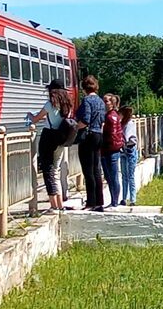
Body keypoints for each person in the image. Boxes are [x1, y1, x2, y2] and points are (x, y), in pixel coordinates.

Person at [26, 80, 75, 212]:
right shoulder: (68, 105)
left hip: (48, 138)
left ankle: (53, 205)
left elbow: (35, 119)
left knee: (48, 171)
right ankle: (60, 204)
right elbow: (59, 119)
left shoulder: (49, 105)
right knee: (56, 171)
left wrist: (30, 116)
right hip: (61, 139)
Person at [75, 74, 108, 210]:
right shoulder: (100, 101)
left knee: (88, 170)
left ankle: (91, 202)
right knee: (96, 169)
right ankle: (99, 201)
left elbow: (86, 119)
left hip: (88, 136)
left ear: (84, 88)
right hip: (98, 135)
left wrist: (76, 126)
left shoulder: (87, 100)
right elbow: (102, 119)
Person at [100, 93, 124, 208]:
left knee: (112, 177)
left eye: (106, 101)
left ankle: (114, 201)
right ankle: (114, 200)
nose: (104, 103)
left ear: (112, 103)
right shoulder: (113, 115)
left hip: (110, 150)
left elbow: (113, 134)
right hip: (112, 150)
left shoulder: (110, 117)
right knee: (111, 177)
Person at [117, 105, 139, 207]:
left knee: (130, 176)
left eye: (120, 114)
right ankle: (124, 198)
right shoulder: (121, 124)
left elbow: (129, 137)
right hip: (123, 152)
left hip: (130, 152)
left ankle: (133, 199)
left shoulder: (130, 124)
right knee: (124, 176)